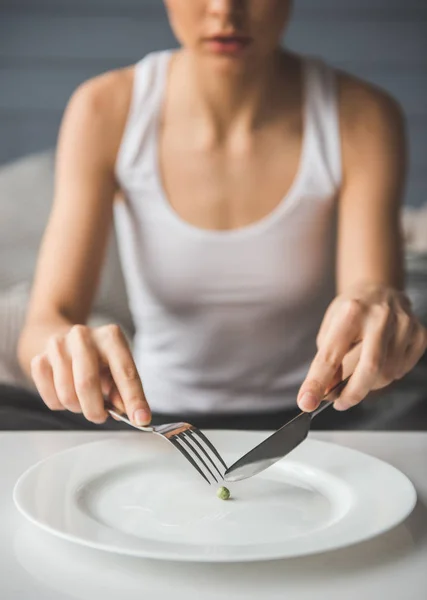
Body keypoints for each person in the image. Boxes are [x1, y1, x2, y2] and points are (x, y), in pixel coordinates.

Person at [17, 0, 427, 431]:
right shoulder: (104, 108)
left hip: (314, 418)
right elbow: (46, 321)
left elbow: (371, 313)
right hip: (153, 420)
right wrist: (60, 349)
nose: (225, 10)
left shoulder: (362, 115)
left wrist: (381, 335)